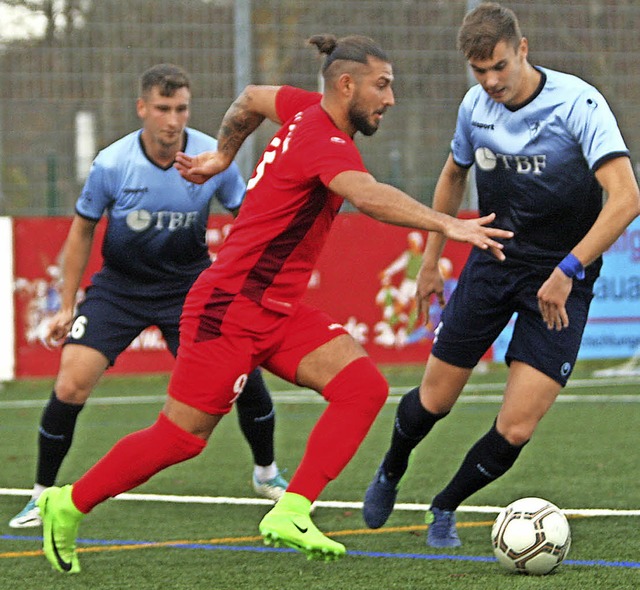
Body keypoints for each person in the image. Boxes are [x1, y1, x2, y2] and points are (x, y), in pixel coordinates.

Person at [36, 34, 512, 574]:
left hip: (275, 309)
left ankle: (292, 508)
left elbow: (251, 97)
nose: (390, 100)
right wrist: (446, 222)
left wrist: (222, 154)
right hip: (230, 308)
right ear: (347, 84)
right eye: (382, 86)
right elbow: (367, 194)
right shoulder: (324, 141)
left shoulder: (306, 107)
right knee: (181, 438)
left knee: (362, 387)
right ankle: (67, 502)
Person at [362, 2, 640, 548]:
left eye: (500, 67)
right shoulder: (474, 108)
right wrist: (431, 260)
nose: (490, 82)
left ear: (523, 51)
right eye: (479, 71)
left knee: (516, 427)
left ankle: (445, 505)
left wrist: (569, 268)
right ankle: (392, 468)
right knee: (434, 400)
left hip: (561, 283)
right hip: (492, 266)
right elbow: (451, 176)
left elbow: (627, 198)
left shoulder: (578, 104)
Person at [9, 63, 288, 530]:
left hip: (191, 291)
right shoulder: (112, 163)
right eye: (163, 109)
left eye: (181, 108)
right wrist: (66, 302)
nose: (173, 120)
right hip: (120, 290)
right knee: (71, 383)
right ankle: (40, 495)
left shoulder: (214, 156)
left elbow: (249, 217)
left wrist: (244, 282)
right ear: (143, 109)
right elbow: (81, 232)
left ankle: (267, 474)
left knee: (243, 374)